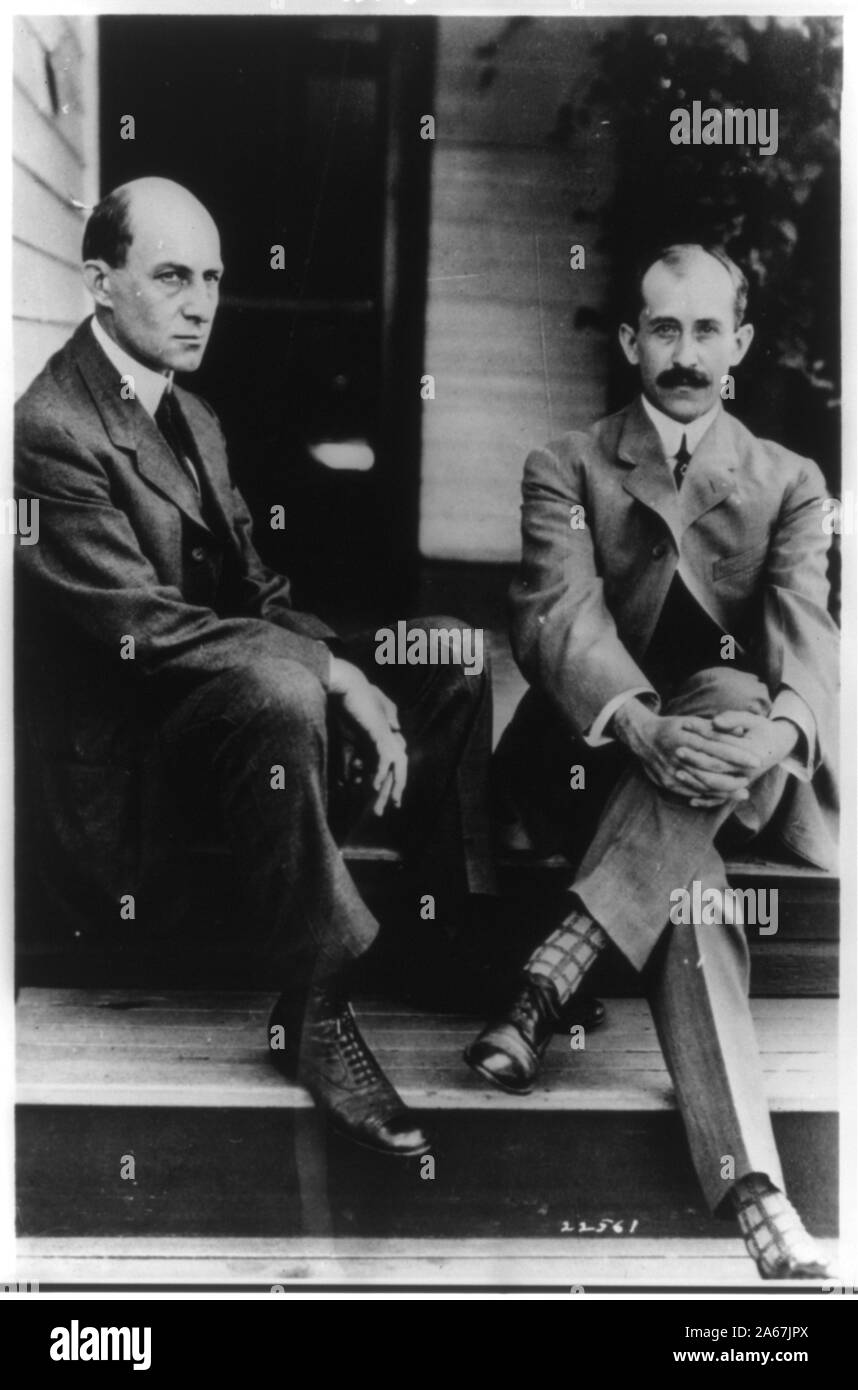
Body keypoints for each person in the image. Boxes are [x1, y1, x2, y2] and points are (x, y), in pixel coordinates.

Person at [15, 175, 501, 1159]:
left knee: (446, 649)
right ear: (100, 283)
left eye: (214, 278)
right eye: (171, 277)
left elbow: (258, 595)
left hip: (222, 725)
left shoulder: (192, 416)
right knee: (282, 682)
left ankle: (435, 930)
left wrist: (350, 663)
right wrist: (327, 674)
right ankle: (312, 1016)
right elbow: (142, 628)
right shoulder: (50, 429)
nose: (201, 303)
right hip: (131, 779)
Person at [466, 244, 838, 1279]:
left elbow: (809, 628)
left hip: (725, 761)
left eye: (705, 329)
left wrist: (778, 734)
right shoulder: (568, 463)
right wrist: (637, 725)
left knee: (731, 710)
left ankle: (559, 970)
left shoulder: (790, 482)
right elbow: (556, 621)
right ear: (631, 341)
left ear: (741, 346)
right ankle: (758, 1191)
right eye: (663, 330)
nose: (683, 354)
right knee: (695, 873)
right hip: (583, 761)